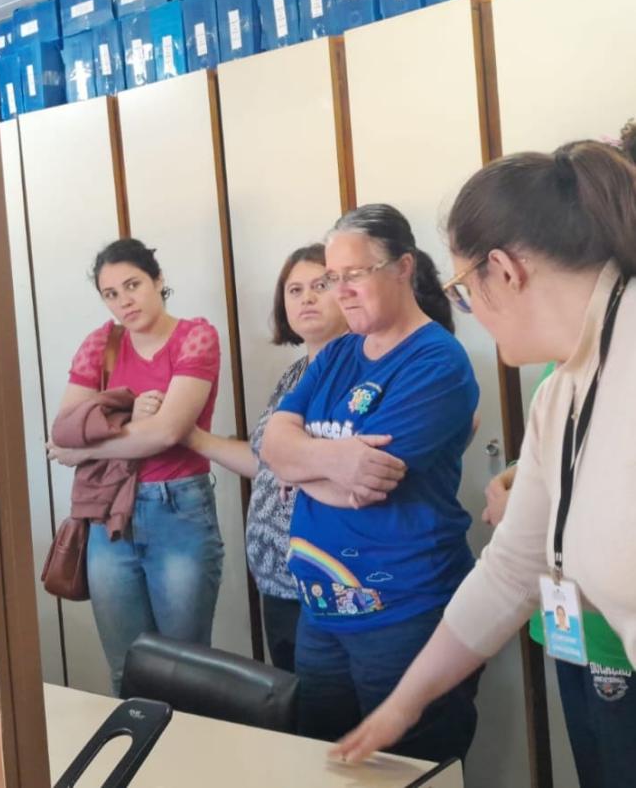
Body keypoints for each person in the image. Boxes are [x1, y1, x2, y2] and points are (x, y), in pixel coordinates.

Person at [332, 142, 636, 788]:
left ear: (504, 270)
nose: (466, 312)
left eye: (463, 292)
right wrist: (403, 704)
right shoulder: (563, 389)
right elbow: (511, 570)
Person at [260, 204, 481, 764]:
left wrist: (301, 469)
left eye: (353, 274)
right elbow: (273, 447)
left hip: (404, 612)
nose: (341, 292)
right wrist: (327, 462)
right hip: (321, 613)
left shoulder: (437, 361)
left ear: (403, 267)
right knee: (328, 764)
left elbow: (367, 485)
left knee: (411, 768)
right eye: (333, 278)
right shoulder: (337, 353)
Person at [46, 238, 224, 694]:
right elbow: (63, 430)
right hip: (108, 516)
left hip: (179, 508)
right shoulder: (101, 343)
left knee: (186, 673)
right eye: (111, 294)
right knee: (126, 670)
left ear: (158, 281)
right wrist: (130, 421)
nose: (124, 301)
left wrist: (90, 449)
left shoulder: (195, 336)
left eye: (133, 285)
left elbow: (166, 432)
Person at [183, 244, 347, 672]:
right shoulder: (294, 374)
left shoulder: (362, 370)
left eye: (321, 285)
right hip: (276, 581)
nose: (306, 298)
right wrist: (191, 437)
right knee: (294, 705)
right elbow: (266, 464)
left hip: (330, 579)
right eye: (295, 290)